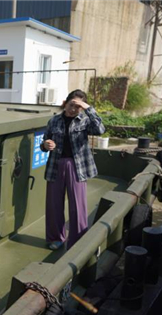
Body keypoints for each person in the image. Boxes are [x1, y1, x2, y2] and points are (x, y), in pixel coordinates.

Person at [41, 89, 105, 250]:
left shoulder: (84, 120)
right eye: (71, 105)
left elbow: (100, 130)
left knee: (78, 205)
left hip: (78, 166)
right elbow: (44, 141)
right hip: (56, 165)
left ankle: (78, 241)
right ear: (65, 102)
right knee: (54, 204)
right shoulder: (54, 121)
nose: (73, 109)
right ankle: (55, 238)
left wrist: (88, 108)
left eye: (77, 107)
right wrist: (46, 145)